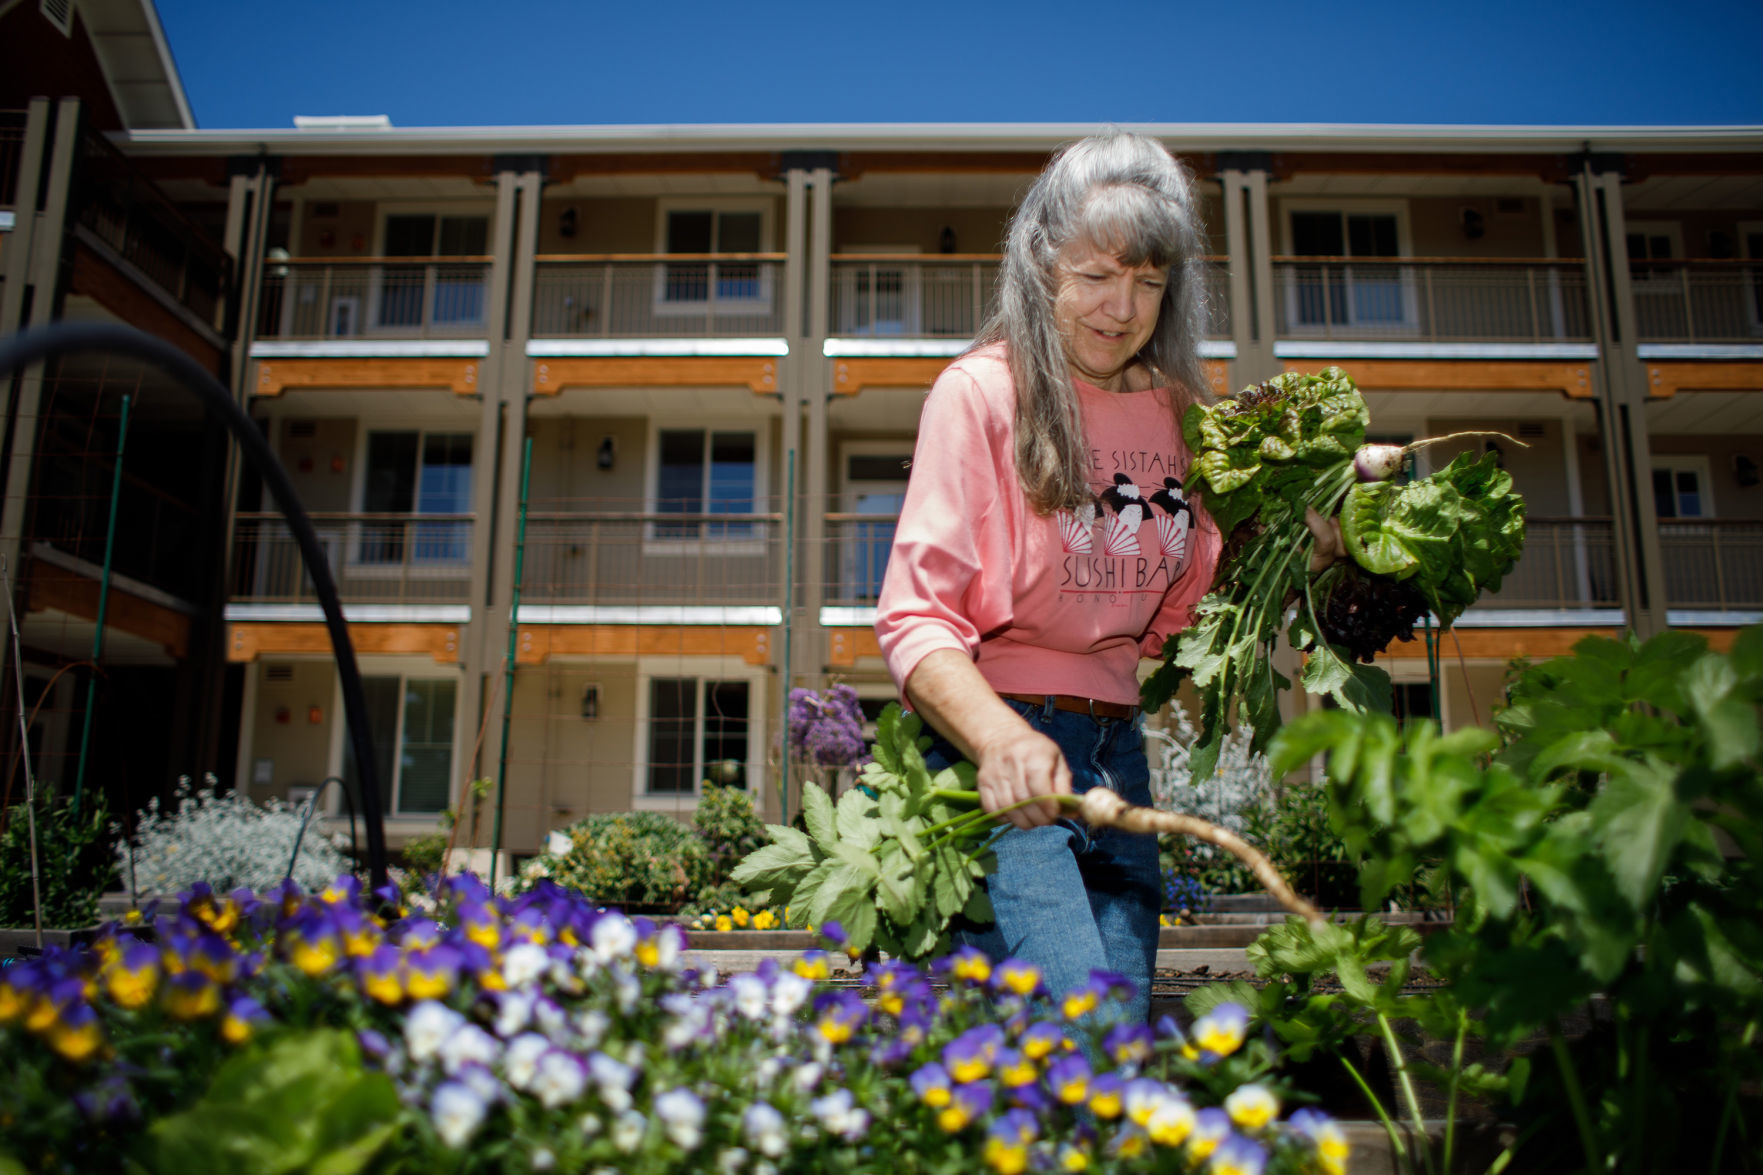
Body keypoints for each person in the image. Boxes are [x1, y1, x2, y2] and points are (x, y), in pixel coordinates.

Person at [875, 129, 1338, 1022]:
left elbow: (1200, 608)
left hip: (1118, 761)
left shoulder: (1183, 416)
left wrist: (1303, 555)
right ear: (1040, 265)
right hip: (994, 757)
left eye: (1148, 281)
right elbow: (915, 618)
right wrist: (1000, 740)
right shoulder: (978, 395)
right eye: (1095, 275)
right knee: (1082, 1030)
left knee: (1109, 1042)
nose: (1122, 307)